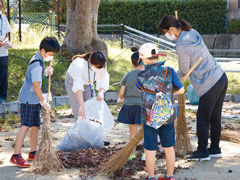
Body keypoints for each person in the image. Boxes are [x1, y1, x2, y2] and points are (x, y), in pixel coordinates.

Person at [158, 15, 228, 161]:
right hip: (220, 76)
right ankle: (215, 149)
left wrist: (171, 75)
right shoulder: (192, 32)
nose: (167, 36)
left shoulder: (181, 44)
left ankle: (202, 151)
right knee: (215, 116)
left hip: (209, 82)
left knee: (202, 117)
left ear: (171, 29)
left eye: (166, 32)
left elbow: (184, 70)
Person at [10, 37, 60, 167]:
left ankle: (33, 152)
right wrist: (44, 101)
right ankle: (16, 155)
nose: (52, 57)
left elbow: (38, 77)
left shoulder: (39, 60)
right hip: (28, 99)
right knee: (25, 125)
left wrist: (45, 73)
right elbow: (36, 86)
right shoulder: (37, 64)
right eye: (51, 54)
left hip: (34, 99)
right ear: (43, 51)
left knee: (36, 125)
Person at [137, 43, 184, 180]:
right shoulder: (170, 71)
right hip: (167, 116)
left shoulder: (141, 75)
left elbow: (140, 89)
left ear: (144, 59)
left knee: (150, 149)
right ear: (157, 56)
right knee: (169, 147)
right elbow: (181, 91)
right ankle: (169, 176)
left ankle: (151, 177)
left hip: (149, 117)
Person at [65, 51, 109, 121]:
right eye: (96, 67)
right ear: (89, 61)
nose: (97, 70)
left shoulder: (102, 65)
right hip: (73, 82)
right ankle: (80, 130)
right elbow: (78, 87)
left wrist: (101, 92)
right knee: (80, 112)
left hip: (88, 84)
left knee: (91, 110)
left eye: (99, 68)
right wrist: (81, 105)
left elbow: (103, 78)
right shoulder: (79, 64)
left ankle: (90, 130)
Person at [117, 47, 143, 160]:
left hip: (129, 107)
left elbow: (122, 93)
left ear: (132, 64)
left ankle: (132, 154)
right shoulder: (146, 74)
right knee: (145, 132)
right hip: (142, 107)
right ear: (143, 62)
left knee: (133, 132)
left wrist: (120, 99)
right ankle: (147, 155)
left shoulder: (127, 75)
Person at [0, 0, 11, 104]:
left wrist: (4, 41)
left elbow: (7, 35)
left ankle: (2, 96)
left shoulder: (3, 18)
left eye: (0, 7)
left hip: (3, 52)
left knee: (3, 75)